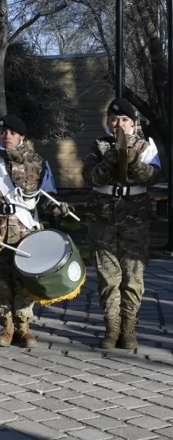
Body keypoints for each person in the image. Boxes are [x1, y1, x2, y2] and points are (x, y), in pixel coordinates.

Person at [0, 115, 73, 347]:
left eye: (11, 133)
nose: (6, 136)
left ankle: (24, 327)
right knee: (1, 281)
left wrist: (57, 208)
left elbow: (45, 198)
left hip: (27, 231)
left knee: (26, 281)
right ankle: (7, 327)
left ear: (22, 137)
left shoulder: (37, 164)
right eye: (2, 132)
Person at [82, 98, 161, 349]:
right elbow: (91, 178)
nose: (119, 123)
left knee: (133, 276)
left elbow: (152, 176)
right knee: (108, 278)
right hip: (102, 220)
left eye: (124, 120)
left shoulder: (147, 147)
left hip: (134, 220)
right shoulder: (98, 148)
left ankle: (129, 329)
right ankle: (112, 328)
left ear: (134, 124)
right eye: (114, 119)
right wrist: (110, 160)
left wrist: (132, 160)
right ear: (108, 122)